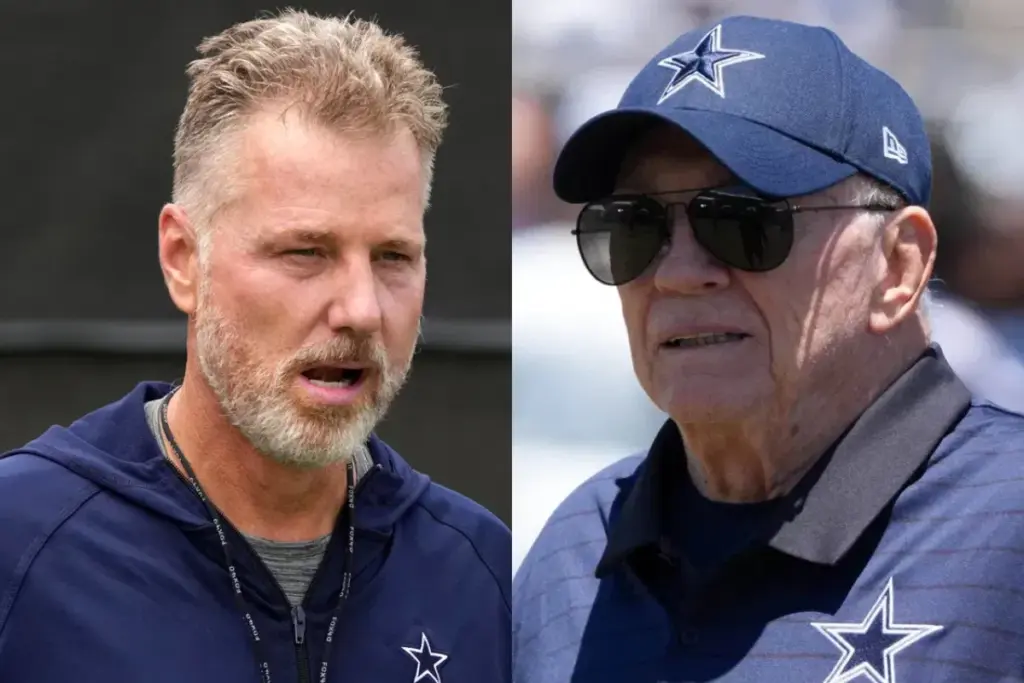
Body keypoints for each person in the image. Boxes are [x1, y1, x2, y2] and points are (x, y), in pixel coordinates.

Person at [0, 10, 509, 683]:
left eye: (392, 256)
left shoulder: (481, 573)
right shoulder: (20, 545)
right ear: (184, 259)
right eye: (305, 251)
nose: (360, 308)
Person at [512, 15, 1024, 683]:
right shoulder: (577, 546)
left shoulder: (1005, 522)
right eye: (632, 226)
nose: (674, 272)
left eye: (742, 220)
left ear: (898, 267)